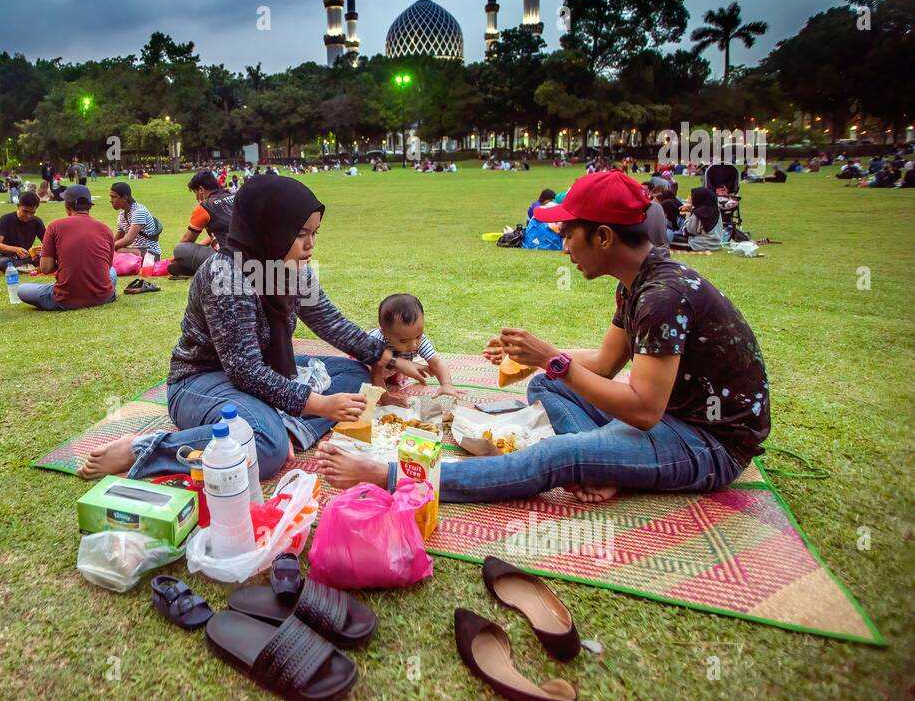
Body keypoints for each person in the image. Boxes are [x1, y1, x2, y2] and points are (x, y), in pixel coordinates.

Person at [320, 170, 770, 504]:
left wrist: (552, 358)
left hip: (708, 441)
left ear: (605, 236)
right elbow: (607, 363)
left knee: (556, 454)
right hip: (673, 418)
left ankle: (391, 475)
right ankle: (603, 461)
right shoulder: (638, 283)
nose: (563, 244)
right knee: (545, 383)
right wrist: (537, 359)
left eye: (568, 233)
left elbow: (645, 410)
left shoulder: (662, 296)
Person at [80, 174, 397, 481]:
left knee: (356, 377)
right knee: (267, 446)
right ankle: (145, 449)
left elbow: (328, 320)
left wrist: (386, 357)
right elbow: (243, 369)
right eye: (301, 234)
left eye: (315, 233)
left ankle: (286, 424)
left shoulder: (291, 267)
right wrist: (320, 404)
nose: (310, 245)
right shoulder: (226, 277)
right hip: (202, 380)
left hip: (261, 371)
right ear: (269, 229)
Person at [18, 185, 117, 311]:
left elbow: (45, 268)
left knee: (22, 290)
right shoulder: (105, 229)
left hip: (65, 299)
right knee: (112, 272)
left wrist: (61, 261)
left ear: (67, 205)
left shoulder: (54, 226)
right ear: (89, 206)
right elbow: (107, 267)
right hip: (103, 296)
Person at [369, 293, 461, 398]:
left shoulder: (415, 338)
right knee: (364, 383)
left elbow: (437, 362)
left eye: (418, 336)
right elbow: (376, 375)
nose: (414, 345)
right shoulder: (376, 341)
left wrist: (446, 384)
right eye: (403, 341)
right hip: (370, 368)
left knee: (396, 377)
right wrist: (387, 399)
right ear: (384, 333)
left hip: (391, 369)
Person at [169, 170, 234, 277]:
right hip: (252, 254)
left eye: (195, 193)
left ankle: (192, 267)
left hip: (228, 259)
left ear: (201, 189)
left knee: (180, 249)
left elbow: (187, 240)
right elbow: (224, 229)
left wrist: (178, 258)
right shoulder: (235, 196)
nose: (196, 197)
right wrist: (201, 246)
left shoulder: (205, 206)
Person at [0, 191, 46, 271]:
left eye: (32, 212)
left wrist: (42, 250)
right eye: (25, 211)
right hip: (8, 257)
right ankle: (27, 266)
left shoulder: (37, 221)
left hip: (27, 256)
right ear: (18, 206)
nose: (28, 216)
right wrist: (15, 249)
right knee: (2, 262)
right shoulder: (6, 219)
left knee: (47, 258)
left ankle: (24, 266)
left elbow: (47, 243)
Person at [109, 181, 161, 258]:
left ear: (124, 198)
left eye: (114, 197)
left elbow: (128, 240)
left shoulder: (139, 211)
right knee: (115, 251)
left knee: (119, 251)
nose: (111, 200)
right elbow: (117, 239)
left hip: (150, 254)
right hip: (137, 251)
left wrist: (108, 248)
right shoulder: (122, 216)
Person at [671, 187, 722, 251]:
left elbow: (690, 230)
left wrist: (688, 215)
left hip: (699, 244)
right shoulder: (716, 209)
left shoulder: (699, 213)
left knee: (668, 237)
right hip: (715, 244)